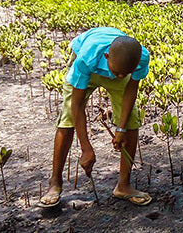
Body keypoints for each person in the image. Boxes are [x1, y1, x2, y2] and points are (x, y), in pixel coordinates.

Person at [39, 27, 151, 207]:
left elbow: (131, 88)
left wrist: (121, 129)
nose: (120, 77)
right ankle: (55, 183)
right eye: (118, 74)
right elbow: (77, 105)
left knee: (131, 119)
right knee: (67, 118)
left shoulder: (140, 58)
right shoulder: (86, 59)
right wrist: (86, 148)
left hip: (119, 62)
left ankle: (123, 186)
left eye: (125, 74)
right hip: (90, 66)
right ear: (107, 57)